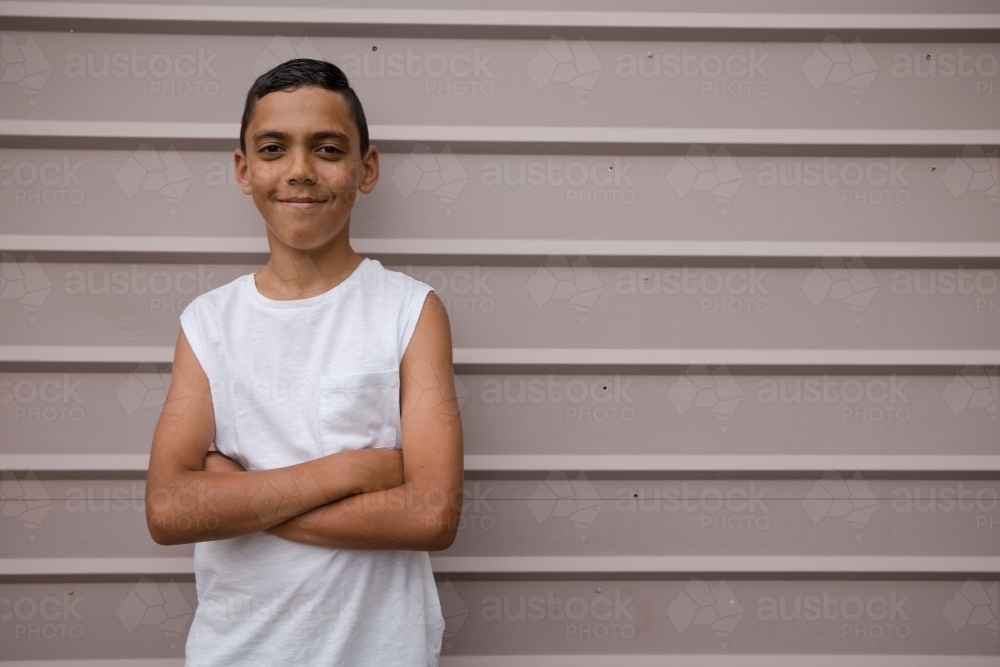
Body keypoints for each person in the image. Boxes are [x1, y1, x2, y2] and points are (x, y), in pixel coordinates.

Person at [144, 58, 464, 666]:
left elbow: (431, 515)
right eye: (273, 149)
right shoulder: (208, 323)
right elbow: (168, 510)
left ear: (366, 168)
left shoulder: (409, 311)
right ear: (244, 169)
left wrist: (239, 499)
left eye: (327, 149)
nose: (299, 170)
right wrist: (351, 470)